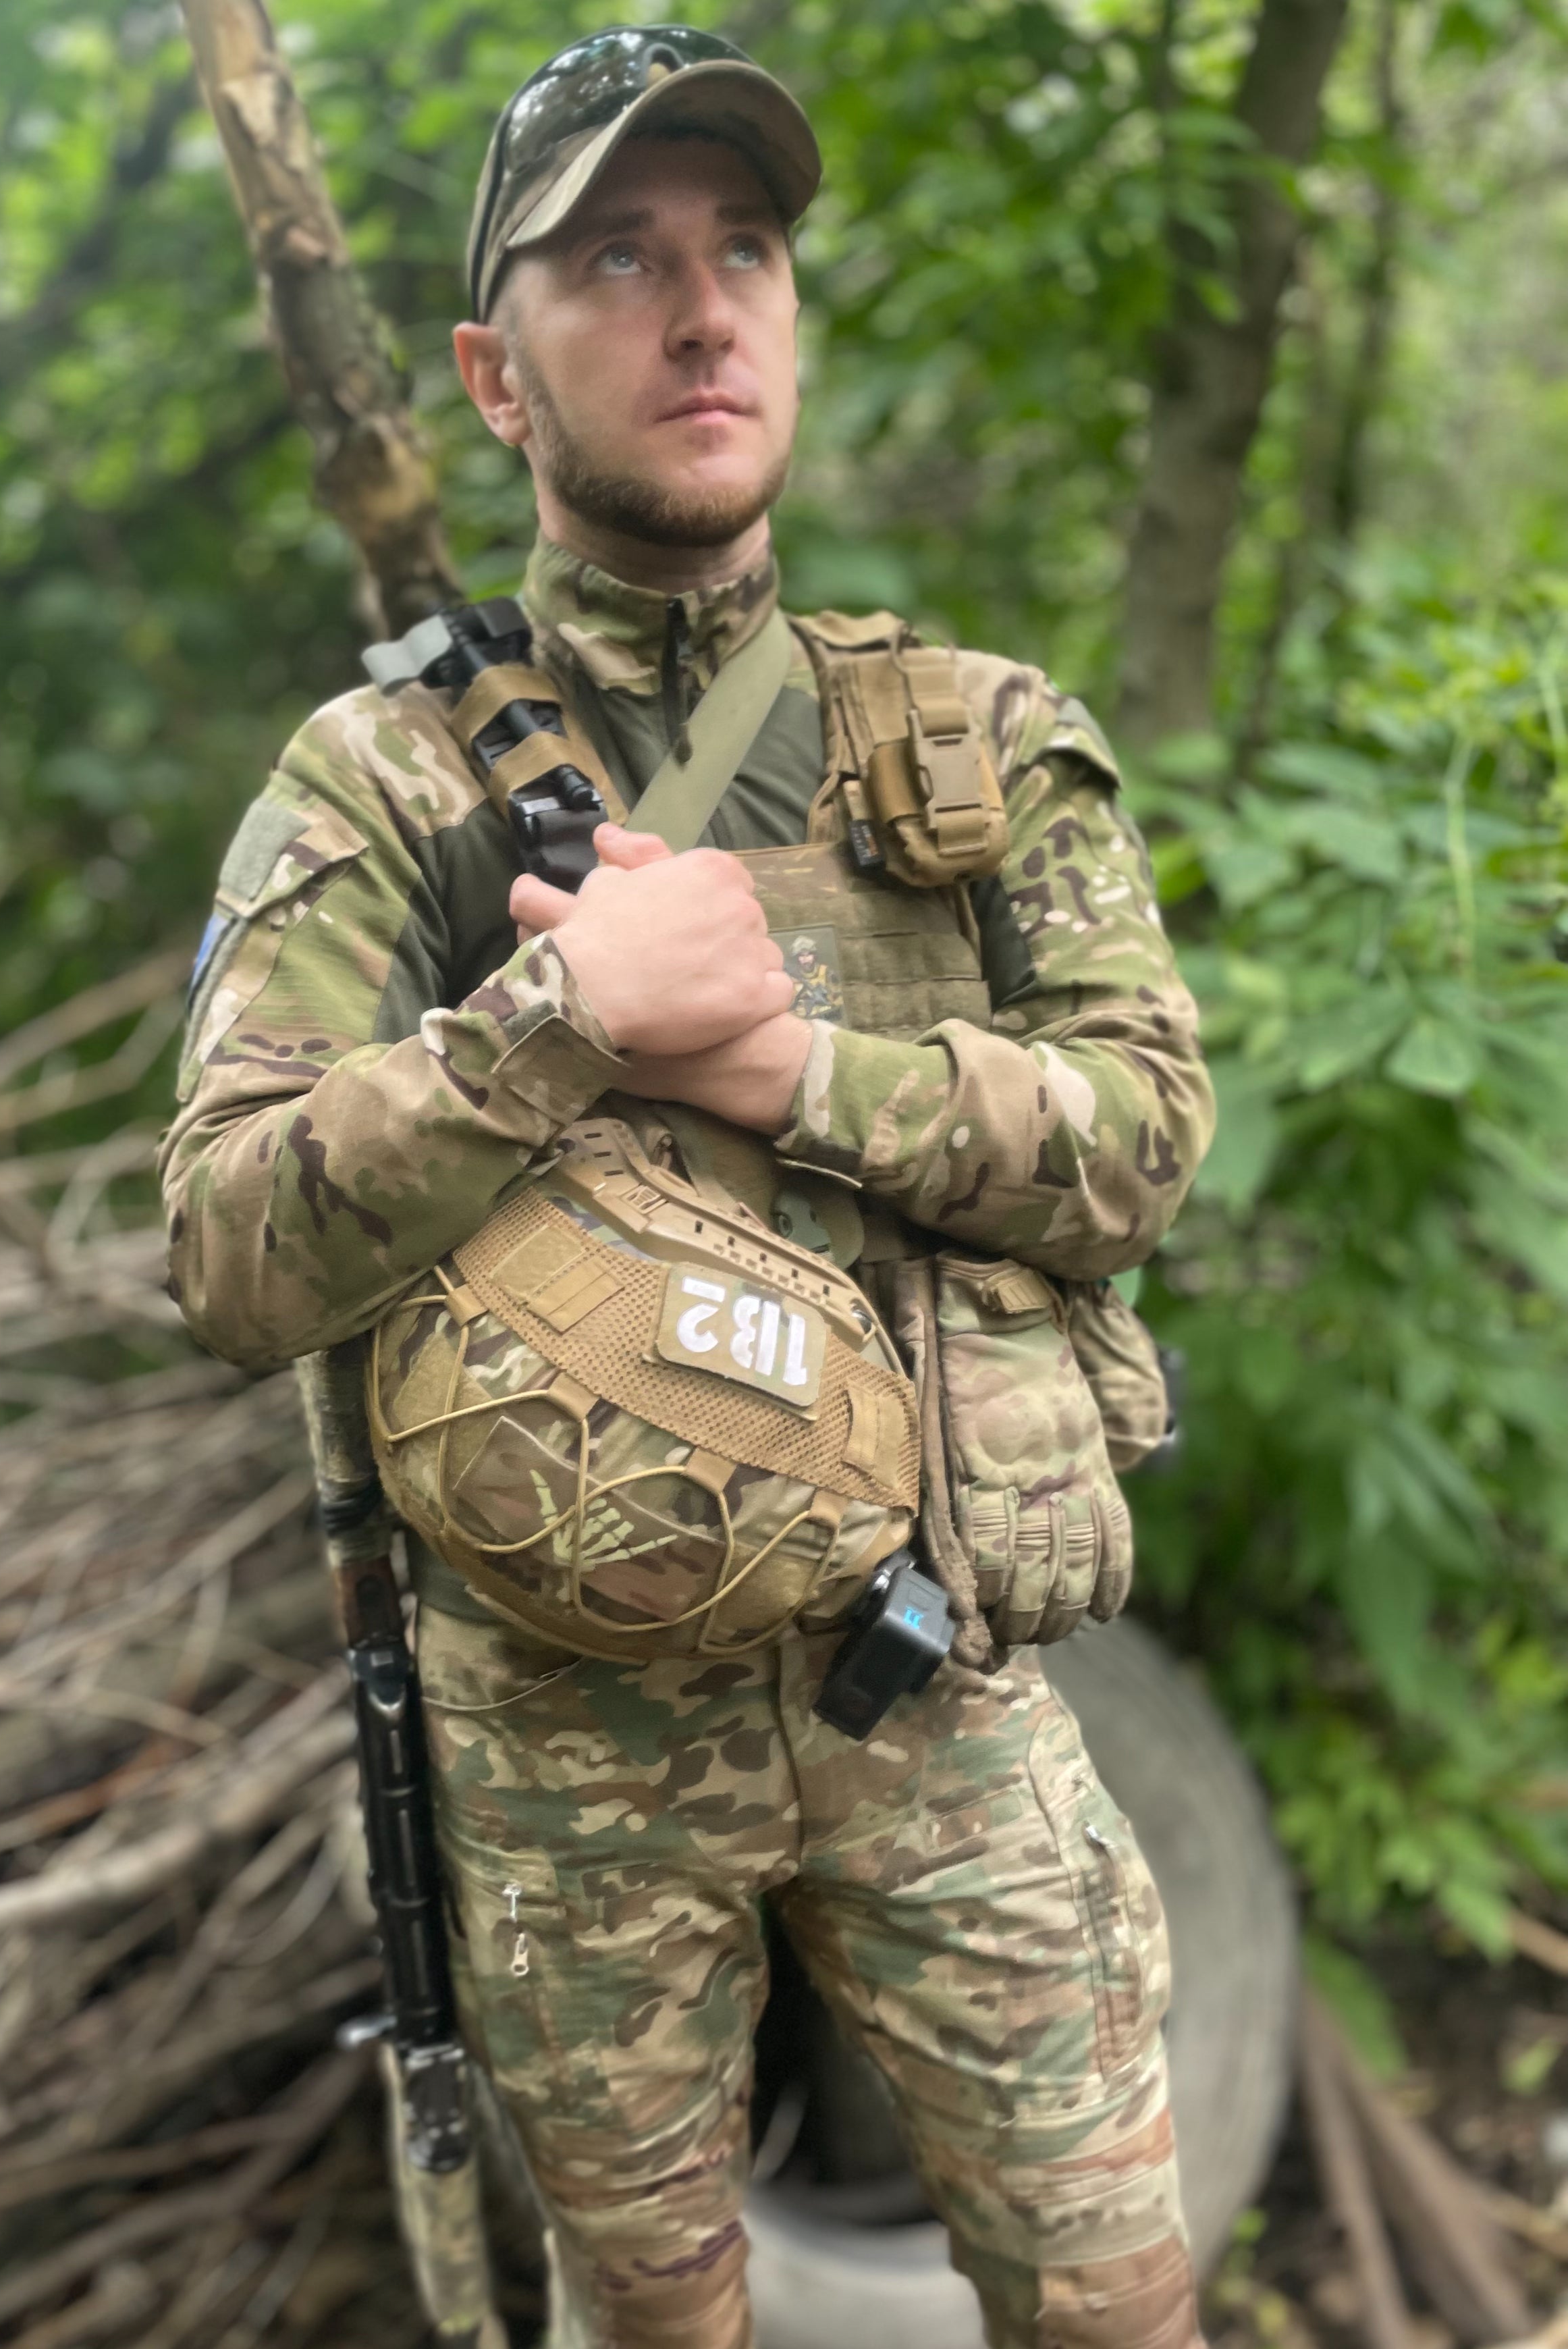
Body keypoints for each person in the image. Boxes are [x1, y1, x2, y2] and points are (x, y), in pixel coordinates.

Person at [159, 28, 1216, 2349]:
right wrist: (551, 1026)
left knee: (1117, 2302)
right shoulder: (387, 778)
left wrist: (784, 1060)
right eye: (617, 262)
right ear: (493, 372)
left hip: (933, 1688)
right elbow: (227, 1245)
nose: (701, 309)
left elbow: (1142, 1138)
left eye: (741, 248)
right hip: (562, 1746)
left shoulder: (957, 739)